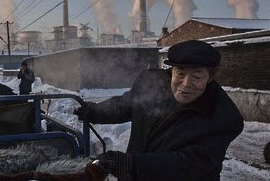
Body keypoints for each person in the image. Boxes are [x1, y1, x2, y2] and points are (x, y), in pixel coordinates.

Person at [74, 40, 244, 181]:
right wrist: (90, 111)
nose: (186, 83)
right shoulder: (151, 84)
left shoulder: (223, 118)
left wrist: (132, 164)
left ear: (211, 77)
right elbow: (124, 105)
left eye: (197, 76)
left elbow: (190, 164)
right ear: (171, 71)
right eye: (180, 73)